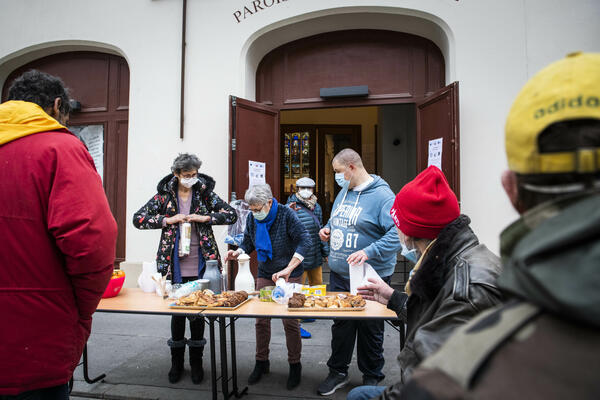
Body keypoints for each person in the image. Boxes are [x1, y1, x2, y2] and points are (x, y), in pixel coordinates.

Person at [393, 52, 600, 400]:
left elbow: (422, 384)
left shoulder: (473, 294)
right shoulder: (459, 264)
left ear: (511, 189)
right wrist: (395, 298)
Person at [0, 70, 118, 399]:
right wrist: (81, 311)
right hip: (33, 344)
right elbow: (92, 241)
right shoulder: (59, 148)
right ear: (56, 106)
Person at [346, 165, 503, 400]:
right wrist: (393, 298)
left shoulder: (466, 289)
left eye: (396, 225)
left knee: (358, 397)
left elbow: (429, 386)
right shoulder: (453, 258)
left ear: (408, 234)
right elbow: (438, 318)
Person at [133, 153, 237, 384]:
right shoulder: (164, 196)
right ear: (177, 174)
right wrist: (167, 220)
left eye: (195, 174)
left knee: (198, 311)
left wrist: (204, 217)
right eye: (188, 175)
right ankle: (176, 363)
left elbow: (231, 214)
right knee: (178, 312)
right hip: (173, 264)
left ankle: (197, 363)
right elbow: (138, 219)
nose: (193, 178)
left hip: (201, 261)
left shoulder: (204, 192)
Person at [317, 149, 401, 396]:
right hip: (341, 273)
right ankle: (338, 372)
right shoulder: (344, 192)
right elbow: (337, 220)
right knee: (341, 325)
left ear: (352, 167)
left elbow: (396, 234)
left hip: (370, 274)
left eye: (338, 172)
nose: (336, 178)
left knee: (370, 327)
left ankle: (372, 376)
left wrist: (369, 251)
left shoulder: (384, 197)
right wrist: (327, 229)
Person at [225, 183, 311, 390]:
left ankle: (295, 365)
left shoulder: (286, 215)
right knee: (261, 320)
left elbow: (305, 241)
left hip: (290, 273)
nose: (253, 213)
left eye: (256, 209)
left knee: (290, 321)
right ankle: (261, 362)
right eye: (251, 209)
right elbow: (248, 242)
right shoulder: (253, 218)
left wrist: (289, 268)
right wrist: (238, 251)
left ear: (269, 203)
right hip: (265, 272)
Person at [286, 177, 330, 338]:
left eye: (309, 188)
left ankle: (309, 311)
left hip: (315, 254)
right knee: (297, 289)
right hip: (299, 255)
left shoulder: (316, 206)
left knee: (317, 285)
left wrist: (325, 252)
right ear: (297, 188)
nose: (306, 190)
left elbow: (321, 230)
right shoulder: (290, 206)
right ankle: (295, 323)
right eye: (303, 187)